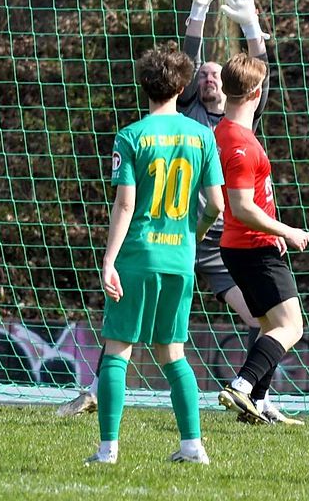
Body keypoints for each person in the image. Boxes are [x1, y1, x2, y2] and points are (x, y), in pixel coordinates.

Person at [58, 0, 298, 424]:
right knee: (139, 318)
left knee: (261, 316)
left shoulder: (239, 120)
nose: (207, 77)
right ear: (191, 87)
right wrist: (199, 11)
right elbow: (185, 62)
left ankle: (256, 399)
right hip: (184, 231)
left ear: (228, 87)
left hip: (221, 237)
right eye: (202, 75)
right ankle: (95, 389)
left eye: (214, 73)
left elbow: (257, 79)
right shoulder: (188, 118)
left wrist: (252, 29)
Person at [85, 45, 224, 465]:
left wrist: (109, 260)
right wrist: (192, 237)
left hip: (137, 257)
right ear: (183, 87)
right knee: (172, 351)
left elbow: (125, 206)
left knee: (117, 349)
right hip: (179, 258)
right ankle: (192, 446)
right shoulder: (203, 136)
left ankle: (108, 449)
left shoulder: (130, 136)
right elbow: (216, 204)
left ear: (144, 86)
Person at [213, 46, 309, 425]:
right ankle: (241, 386)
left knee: (269, 326)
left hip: (243, 247)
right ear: (255, 94)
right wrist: (287, 230)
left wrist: (253, 31)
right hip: (254, 248)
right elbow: (241, 207)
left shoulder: (227, 130)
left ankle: (259, 401)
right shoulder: (239, 143)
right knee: (291, 326)